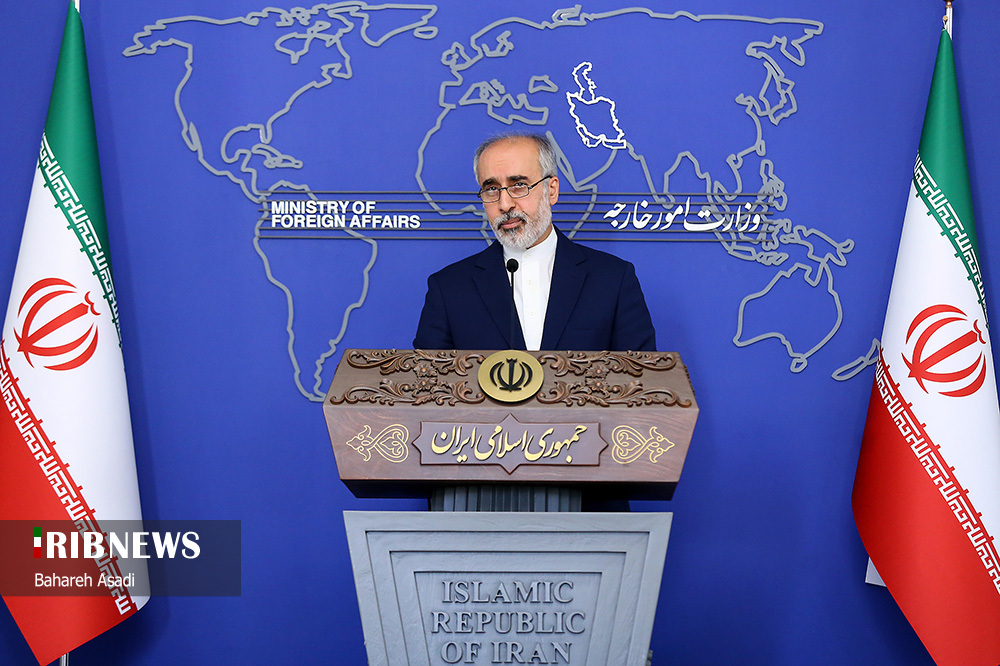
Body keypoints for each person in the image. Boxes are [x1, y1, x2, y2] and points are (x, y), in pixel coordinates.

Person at [413, 132, 656, 352]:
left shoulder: (613, 280)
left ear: (552, 190)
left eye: (519, 185)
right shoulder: (448, 289)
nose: (504, 204)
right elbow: (427, 381)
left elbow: (640, 378)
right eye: (492, 189)